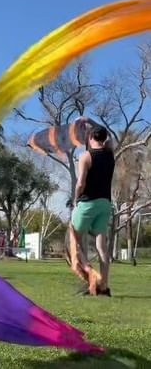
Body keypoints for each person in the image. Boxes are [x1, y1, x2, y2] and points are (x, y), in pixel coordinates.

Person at [71, 120, 115, 296]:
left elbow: (80, 182)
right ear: (104, 138)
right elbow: (109, 134)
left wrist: (75, 199)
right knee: (101, 247)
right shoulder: (110, 152)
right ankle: (104, 286)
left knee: (73, 242)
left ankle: (91, 281)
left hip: (87, 203)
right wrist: (90, 120)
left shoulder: (85, 156)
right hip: (105, 203)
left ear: (90, 138)